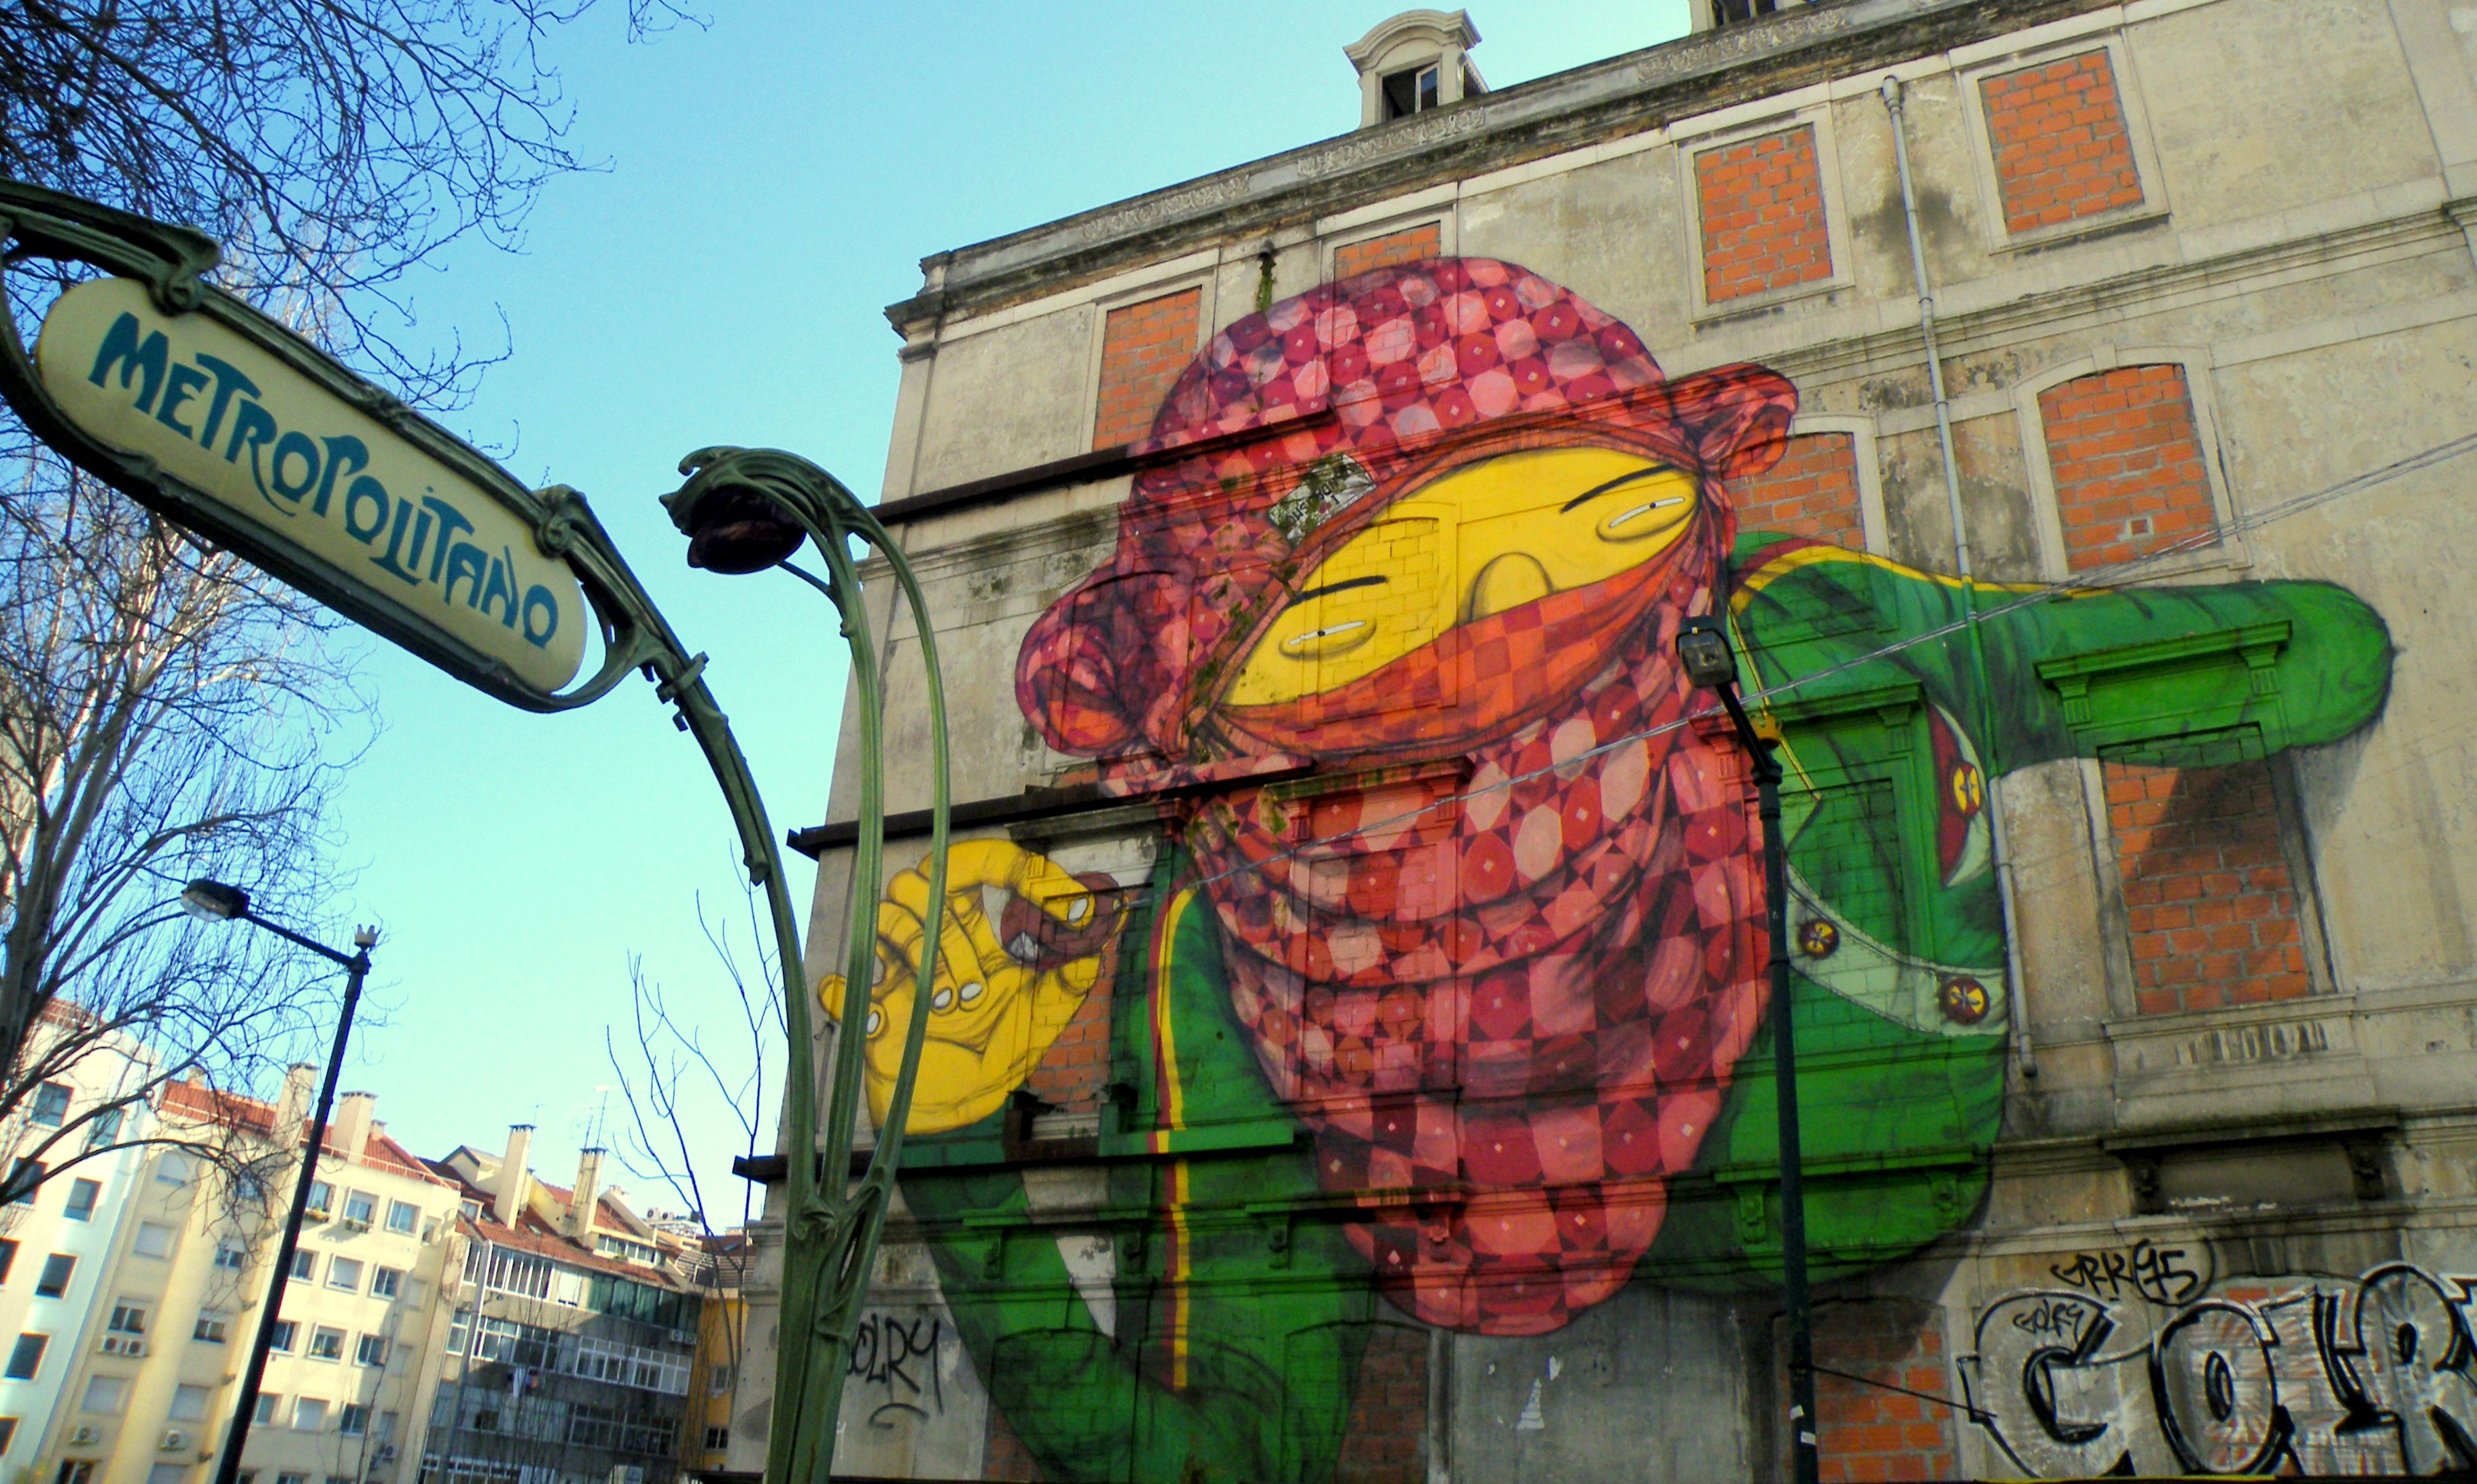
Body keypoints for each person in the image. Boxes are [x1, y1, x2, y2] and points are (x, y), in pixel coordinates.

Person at [821, 258, 2391, 1484]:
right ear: (1220, 702)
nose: (1514, 614)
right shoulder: (1220, 959)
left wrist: (2298, 656)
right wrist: (950, 1146)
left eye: (1588, 517)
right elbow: (1225, 1455)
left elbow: (2287, 655)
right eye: (1359, 605)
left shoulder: (1816, 632)